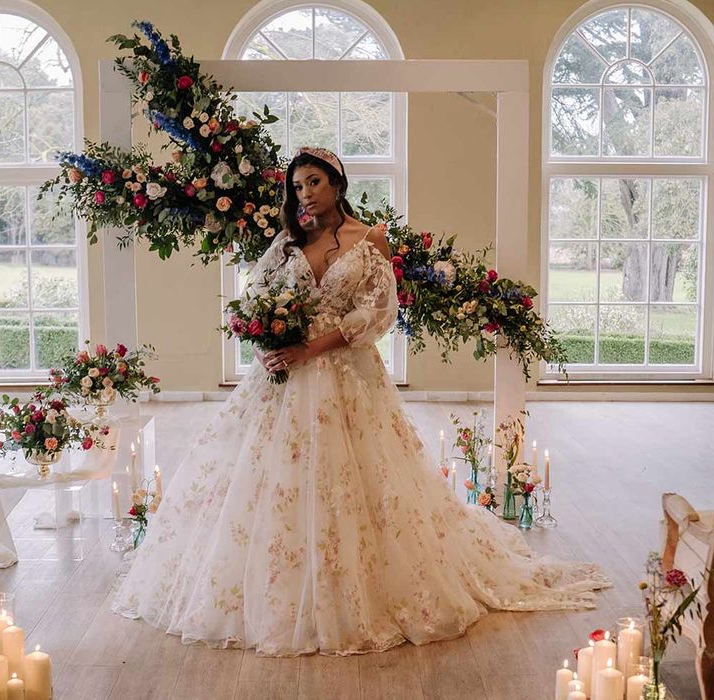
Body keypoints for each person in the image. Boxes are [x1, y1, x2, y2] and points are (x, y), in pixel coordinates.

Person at [112, 146, 609, 656]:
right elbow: (255, 296)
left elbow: (376, 312)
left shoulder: (369, 238)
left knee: (357, 479)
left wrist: (310, 347)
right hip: (282, 379)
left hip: (343, 374)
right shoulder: (286, 240)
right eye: (298, 186)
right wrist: (266, 341)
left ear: (337, 183)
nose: (304, 194)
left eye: (314, 183)